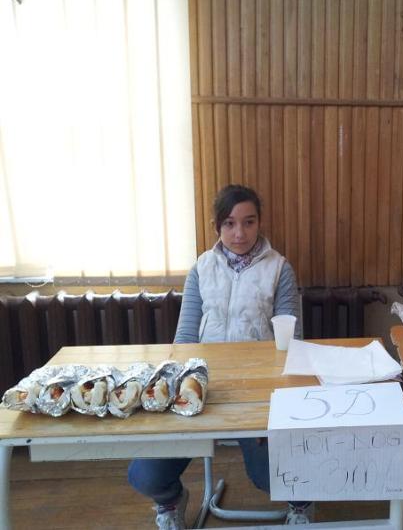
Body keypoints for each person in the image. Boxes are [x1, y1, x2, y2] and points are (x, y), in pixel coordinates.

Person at [128, 184, 312, 529]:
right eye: (229, 223)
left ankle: (299, 506)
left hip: (259, 393)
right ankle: (171, 501)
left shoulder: (279, 269)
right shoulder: (202, 268)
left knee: (274, 477)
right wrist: (178, 390)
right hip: (204, 389)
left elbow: (292, 341)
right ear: (217, 226)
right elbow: (184, 340)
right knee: (145, 474)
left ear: (259, 223)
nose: (239, 233)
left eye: (248, 222)